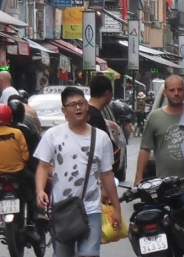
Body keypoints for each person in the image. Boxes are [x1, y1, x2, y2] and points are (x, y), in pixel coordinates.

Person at [33, 86, 122, 257]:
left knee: (89, 254)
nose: (78, 107)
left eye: (81, 103)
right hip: (62, 209)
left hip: (90, 208)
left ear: (87, 106)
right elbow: (43, 166)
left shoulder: (101, 138)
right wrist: (40, 190)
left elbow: (107, 175)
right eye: (72, 105)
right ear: (64, 111)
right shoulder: (52, 135)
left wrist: (116, 208)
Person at [134, 75, 184, 250]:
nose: (176, 93)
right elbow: (145, 148)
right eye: (172, 90)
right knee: (163, 230)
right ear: (165, 93)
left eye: (179, 89)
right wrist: (138, 178)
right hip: (164, 187)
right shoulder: (155, 117)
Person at [0, 102, 35, 235]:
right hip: (19, 172)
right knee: (34, 187)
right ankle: (37, 216)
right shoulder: (17, 133)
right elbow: (25, 155)